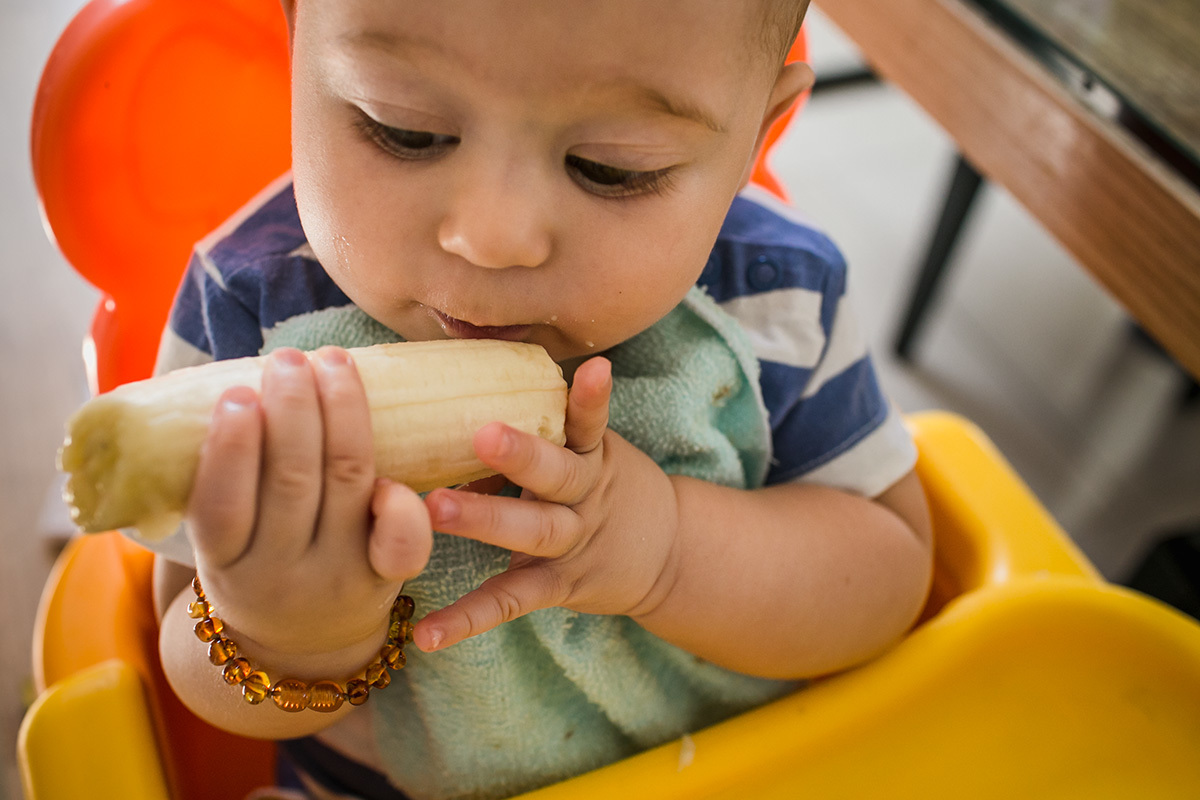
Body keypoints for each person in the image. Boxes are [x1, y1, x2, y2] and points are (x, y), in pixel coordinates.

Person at [147, 1, 934, 798]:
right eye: (405, 129)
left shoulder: (781, 302)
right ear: (297, 42)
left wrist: (665, 555)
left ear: (757, 135)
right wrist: (285, 630)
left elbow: (892, 579)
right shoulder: (247, 309)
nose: (493, 237)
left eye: (611, 167)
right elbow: (181, 659)